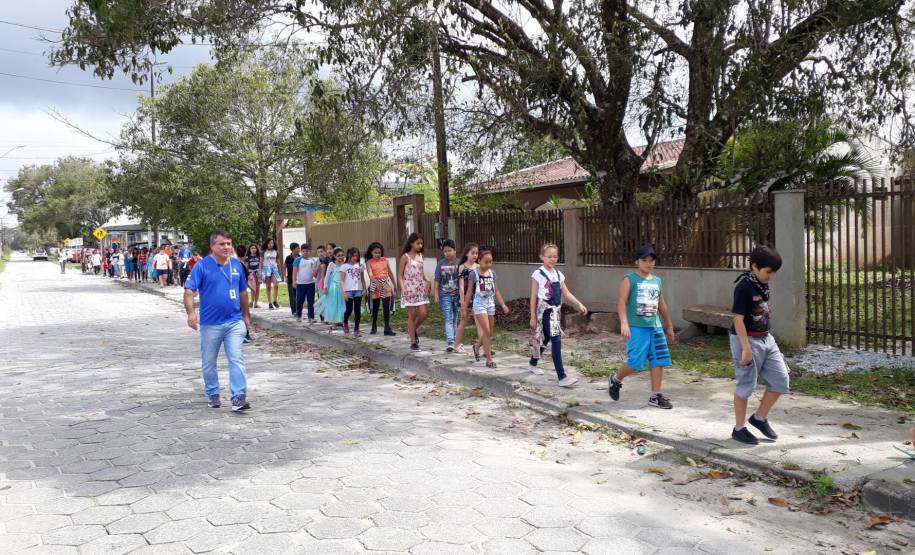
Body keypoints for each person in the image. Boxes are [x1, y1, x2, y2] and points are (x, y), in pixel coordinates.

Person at [183, 229, 251, 412]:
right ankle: (213, 393)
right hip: (211, 324)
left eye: (229, 243)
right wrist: (191, 313)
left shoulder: (236, 265)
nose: (226, 247)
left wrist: (246, 316)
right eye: (222, 244)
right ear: (212, 246)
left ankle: (238, 397)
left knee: (236, 358)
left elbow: (243, 292)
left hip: (235, 322)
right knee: (208, 362)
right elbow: (189, 291)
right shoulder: (202, 266)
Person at [729, 246, 790, 445]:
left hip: (766, 338)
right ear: (754, 266)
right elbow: (737, 319)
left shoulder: (762, 283)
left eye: (773, 272)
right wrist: (745, 348)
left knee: (781, 380)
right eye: (768, 272)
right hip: (746, 340)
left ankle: (759, 418)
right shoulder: (744, 287)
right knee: (746, 384)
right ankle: (739, 429)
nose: (770, 276)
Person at [607, 245, 676, 409]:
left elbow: (662, 305)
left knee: (658, 360)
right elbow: (622, 302)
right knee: (636, 361)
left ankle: (655, 396)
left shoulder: (657, 281)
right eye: (644, 260)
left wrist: (669, 326)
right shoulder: (629, 279)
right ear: (636, 262)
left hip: (655, 327)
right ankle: (616, 379)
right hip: (637, 327)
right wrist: (624, 322)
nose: (648, 263)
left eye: (651, 260)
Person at [526, 243, 587, 387]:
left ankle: (532, 363)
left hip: (555, 312)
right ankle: (562, 377)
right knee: (556, 340)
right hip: (546, 312)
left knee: (546, 338)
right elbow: (533, 296)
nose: (553, 259)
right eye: (549, 256)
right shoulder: (538, 274)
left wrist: (579, 304)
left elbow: (566, 293)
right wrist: (533, 317)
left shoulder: (559, 274)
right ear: (542, 257)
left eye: (555, 256)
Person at [463, 246, 509, 368]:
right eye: (486, 262)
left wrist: (503, 304)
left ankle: (477, 347)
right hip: (479, 305)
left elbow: (496, 290)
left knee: (490, 333)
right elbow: (468, 292)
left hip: (490, 304)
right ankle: (489, 360)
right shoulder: (474, 274)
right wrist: (464, 307)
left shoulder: (492, 274)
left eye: (491, 262)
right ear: (479, 261)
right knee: (486, 331)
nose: (489, 264)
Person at [398, 233, 431, 351]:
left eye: (421, 243)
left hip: (420, 288)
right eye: (418, 243)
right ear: (411, 243)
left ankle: (411, 330)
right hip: (408, 289)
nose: (420, 245)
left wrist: (428, 281)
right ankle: (413, 341)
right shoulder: (405, 257)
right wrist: (403, 289)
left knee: (423, 313)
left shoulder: (421, 256)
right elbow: (400, 275)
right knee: (412, 315)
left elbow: (421, 273)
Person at [433, 239, 461, 352]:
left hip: (457, 295)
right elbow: (436, 280)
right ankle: (450, 341)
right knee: (448, 318)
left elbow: (462, 281)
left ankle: (455, 339)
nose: (447, 253)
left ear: (455, 250)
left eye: (449, 250)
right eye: (445, 251)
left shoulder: (460, 264)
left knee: (455, 318)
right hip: (445, 296)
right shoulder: (440, 264)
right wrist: (435, 294)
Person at [365, 242, 396, 336]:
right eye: (375, 252)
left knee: (386, 307)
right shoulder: (369, 262)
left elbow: (390, 273)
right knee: (375, 307)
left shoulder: (385, 260)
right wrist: (377, 283)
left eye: (379, 252)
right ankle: (374, 325)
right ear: (371, 253)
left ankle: (387, 328)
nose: (378, 254)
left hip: (385, 285)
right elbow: (370, 275)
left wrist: (395, 284)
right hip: (375, 285)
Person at [453, 243, 479, 354]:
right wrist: (463, 302)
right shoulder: (462, 267)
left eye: (476, 253)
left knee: (479, 322)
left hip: (477, 298)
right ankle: (456, 345)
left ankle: (483, 346)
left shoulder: (478, 267)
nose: (475, 255)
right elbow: (461, 286)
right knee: (463, 321)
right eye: (472, 253)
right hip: (466, 298)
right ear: (466, 253)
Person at [316, 247, 346, 331]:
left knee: (341, 304)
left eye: (342, 255)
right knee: (333, 304)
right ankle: (333, 323)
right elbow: (327, 277)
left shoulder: (345, 264)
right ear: (334, 256)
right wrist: (325, 287)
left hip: (342, 287)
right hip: (333, 287)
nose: (341, 257)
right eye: (338, 255)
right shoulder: (332, 264)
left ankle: (341, 321)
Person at [341, 247, 367, 336]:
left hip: (358, 290)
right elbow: (342, 280)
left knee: (357, 310)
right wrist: (344, 292)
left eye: (357, 256)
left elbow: (362, 279)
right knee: (349, 310)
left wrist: (364, 289)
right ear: (349, 255)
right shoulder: (344, 266)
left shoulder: (360, 266)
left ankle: (356, 329)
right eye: (354, 255)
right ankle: (345, 323)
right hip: (348, 291)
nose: (355, 257)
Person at [292, 244, 319, 323]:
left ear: (310, 251)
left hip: (310, 284)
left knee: (311, 301)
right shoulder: (297, 260)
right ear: (301, 251)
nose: (305, 253)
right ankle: (299, 314)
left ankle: (311, 317)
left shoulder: (312, 260)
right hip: (300, 284)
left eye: (307, 251)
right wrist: (294, 281)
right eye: (303, 251)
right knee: (300, 300)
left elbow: (314, 272)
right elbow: (294, 272)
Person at [262, 238, 281, 310]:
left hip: (274, 269)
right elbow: (261, 262)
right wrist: (260, 272)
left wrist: (280, 271)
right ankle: (270, 303)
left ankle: (275, 301)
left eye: (272, 243)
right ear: (266, 244)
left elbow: (278, 262)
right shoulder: (263, 252)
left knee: (276, 285)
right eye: (269, 243)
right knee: (268, 286)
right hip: (266, 269)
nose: (271, 244)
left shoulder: (276, 252)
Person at [284, 242, 300, 316]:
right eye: (297, 248)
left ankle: (298, 309)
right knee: (292, 295)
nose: (299, 249)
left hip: (299, 279)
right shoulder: (288, 258)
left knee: (298, 295)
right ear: (293, 249)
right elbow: (284, 266)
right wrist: (285, 276)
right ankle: (294, 311)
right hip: (290, 279)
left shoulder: (300, 258)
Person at [245, 244, 263, 308]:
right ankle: (251, 301)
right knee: (253, 288)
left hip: (258, 273)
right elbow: (246, 266)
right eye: (252, 248)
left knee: (257, 288)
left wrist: (260, 273)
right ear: (249, 250)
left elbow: (260, 265)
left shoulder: (259, 257)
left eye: (254, 248)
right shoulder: (247, 257)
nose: (253, 249)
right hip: (251, 273)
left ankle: (256, 303)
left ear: (256, 249)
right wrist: (247, 274)